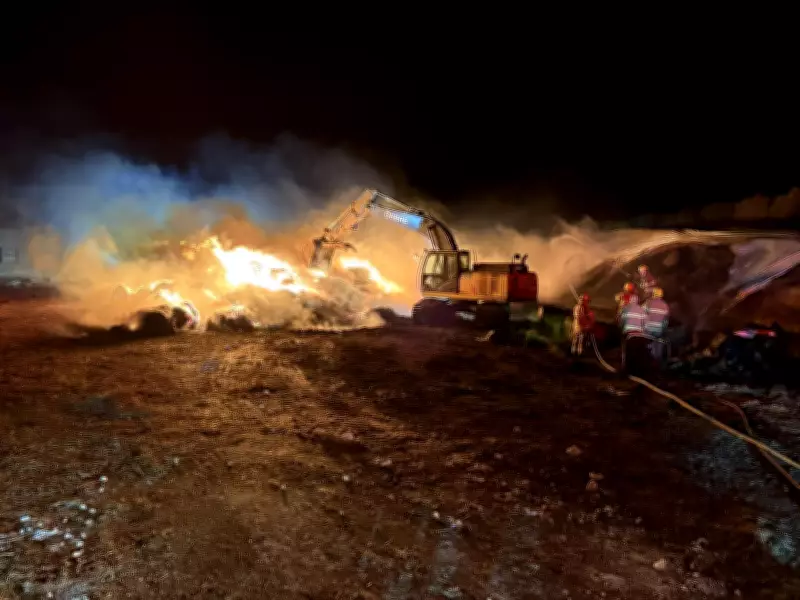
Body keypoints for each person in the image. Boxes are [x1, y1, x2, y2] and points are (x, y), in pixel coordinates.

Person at [643, 287, 670, 363]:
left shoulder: (648, 303)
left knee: (648, 346)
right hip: (659, 330)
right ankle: (657, 362)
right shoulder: (665, 306)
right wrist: (663, 330)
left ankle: (647, 361)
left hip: (648, 329)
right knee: (658, 345)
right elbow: (666, 321)